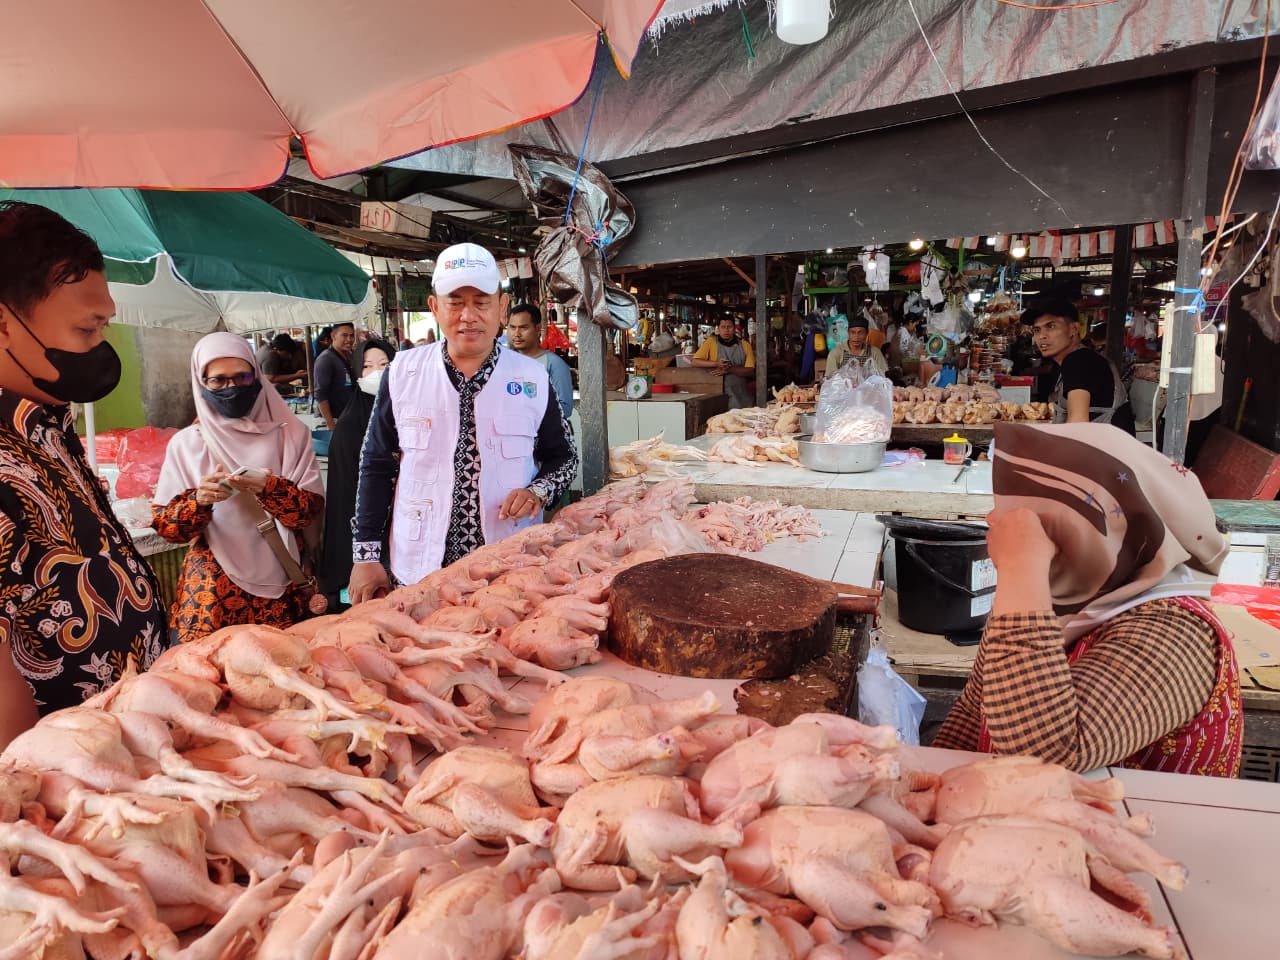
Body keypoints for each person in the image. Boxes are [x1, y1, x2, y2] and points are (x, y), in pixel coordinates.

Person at [933, 422, 1241, 776]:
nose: (996, 520)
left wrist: (1022, 564)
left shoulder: (1177, 633)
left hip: (1135, 826)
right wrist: (930, 784)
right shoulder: (1058, 595)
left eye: (1031, 514)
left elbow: (1045, 756)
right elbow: (975, 710)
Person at [0, 201, 167, 743]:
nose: (101, 348)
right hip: (59, 791)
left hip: (130, 756)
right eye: (85, 329)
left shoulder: (46, 425)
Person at [348, 243, 578, 601]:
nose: (468, 315)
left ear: (501, 308)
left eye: (481, 302)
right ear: (435, 307)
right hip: (419, 569)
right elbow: (375, 465)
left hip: (508, 568)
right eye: (455, 301)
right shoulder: (402, 373)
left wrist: (539, 490)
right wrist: (366, 554)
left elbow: (564, 457)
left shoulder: (533, 378)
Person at [152, 333, 325, 643]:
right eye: (218, 381)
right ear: (201, 383)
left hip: (284, 588)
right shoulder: (188, 445)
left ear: (256, 377)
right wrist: (199, 501)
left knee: (285, 678)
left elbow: (309, 513)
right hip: (212, 594)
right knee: (209, 681)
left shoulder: (291, 436)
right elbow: (168, 528)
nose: (231, 388)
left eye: (242, 377)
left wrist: (270, 487)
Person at [319, 336, 396, 608]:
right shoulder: (351, 424)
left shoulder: (407, 414)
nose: (377, 372)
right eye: (367, 366)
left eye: (385, 364)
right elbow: (348, 495)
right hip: (364, 534)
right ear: (356, 372)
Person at [1028, 297, 1135, 433]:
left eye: (1051, 326)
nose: (1042, 336)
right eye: (1037, 330)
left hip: (1103, 450)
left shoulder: (1078, 361)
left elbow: (1077, 425)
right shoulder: (1077, 359)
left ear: (1074, 329)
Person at [506, 303, 574, 423]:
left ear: (537, 329)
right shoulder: (504, 362)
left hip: (543, 438)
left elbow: (566, 408)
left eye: (523, 328)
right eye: (512, 327)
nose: (517, 334)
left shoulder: (554, 364)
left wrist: (526, 413)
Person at [691, 317, 756, 409]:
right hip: (715, 394)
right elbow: (695, 362)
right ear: (718, 328)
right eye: (723, 327)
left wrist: (729, 369)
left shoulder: (745, 345)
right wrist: (716, 364)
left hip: (739, 396)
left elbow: (750, 371)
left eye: (729, 327)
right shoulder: (710, 342)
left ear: (734, 328)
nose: (726, 330)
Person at [313, 321, 357, 429]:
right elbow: (320, 394)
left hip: (349, 416)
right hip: (335, 419)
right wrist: (330, 424)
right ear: (333, 336)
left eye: (352, 336)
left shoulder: (349, 355)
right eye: (344, 335)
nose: (349, 340)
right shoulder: (325, 359)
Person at [824, 315, 888, 380]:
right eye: (853, 332)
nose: (856, 337)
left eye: (860, 333)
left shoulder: (875, 352)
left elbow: (885, 376)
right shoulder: (836, 353)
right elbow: (830, 380)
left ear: (866, 333)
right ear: (848, 333)